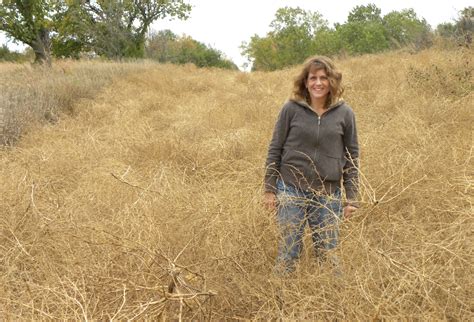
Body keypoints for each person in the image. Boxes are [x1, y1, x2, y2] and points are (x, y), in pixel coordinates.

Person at [263, 55, 359, 274]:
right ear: (305, 82)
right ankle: (280, 302)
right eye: (313, 78)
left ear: (332, 81)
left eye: (323, 77)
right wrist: (270, 190)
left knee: (329, 255)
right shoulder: (291, 109)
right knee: (288, 254)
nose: (318, 83)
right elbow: (275, 148)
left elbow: (352, 157)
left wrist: (352, 198)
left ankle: (333, 303)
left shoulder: (345, 113)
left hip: (328, 194)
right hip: (290, 190)